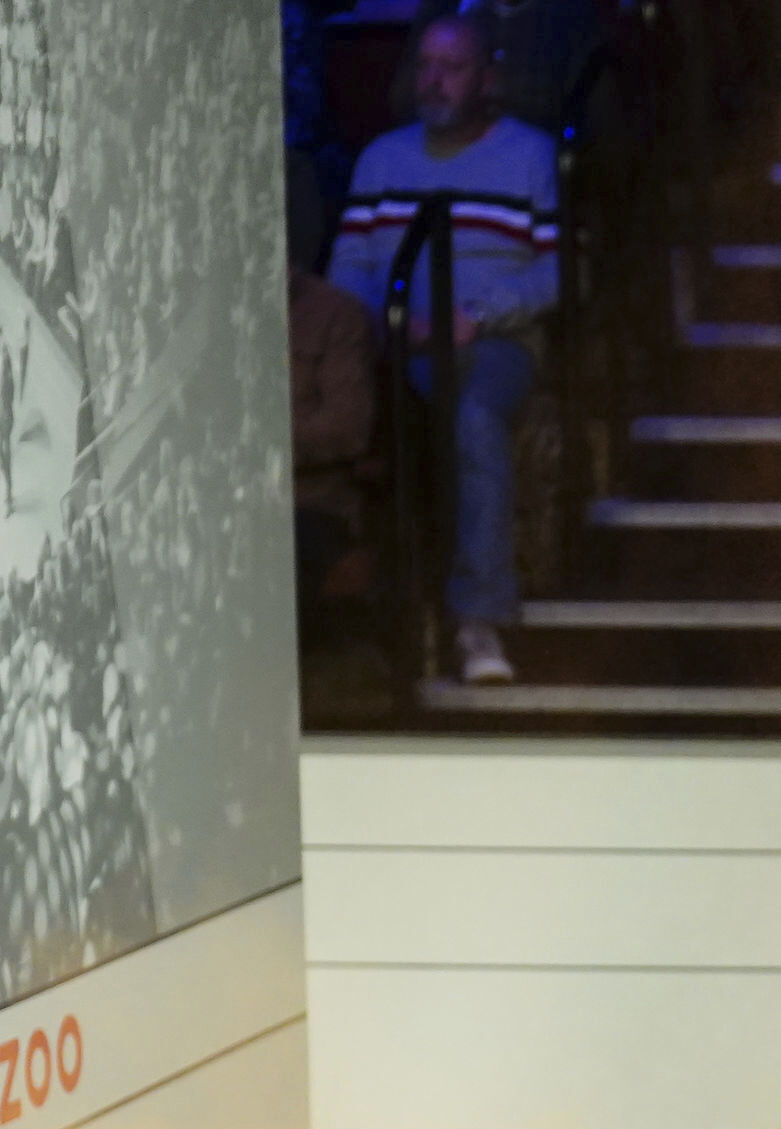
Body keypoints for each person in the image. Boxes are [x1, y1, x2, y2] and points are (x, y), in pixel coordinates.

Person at [325, 13, 559, 686]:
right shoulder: (382, 160)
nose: (434, 80)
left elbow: (557, 274)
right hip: (399, 343)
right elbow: (349, 272)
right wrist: (398, 325)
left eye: (451, 67)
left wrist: (476, 316)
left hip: (492, 343)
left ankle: (478, 621)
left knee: (473, 415)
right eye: (424, 64)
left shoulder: (529, 154)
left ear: (487, 77)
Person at [287, 235, 375, 637]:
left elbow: (347, 427)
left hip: (307, 501)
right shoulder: (204, 312)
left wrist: (255, 447)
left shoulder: (336, 314)